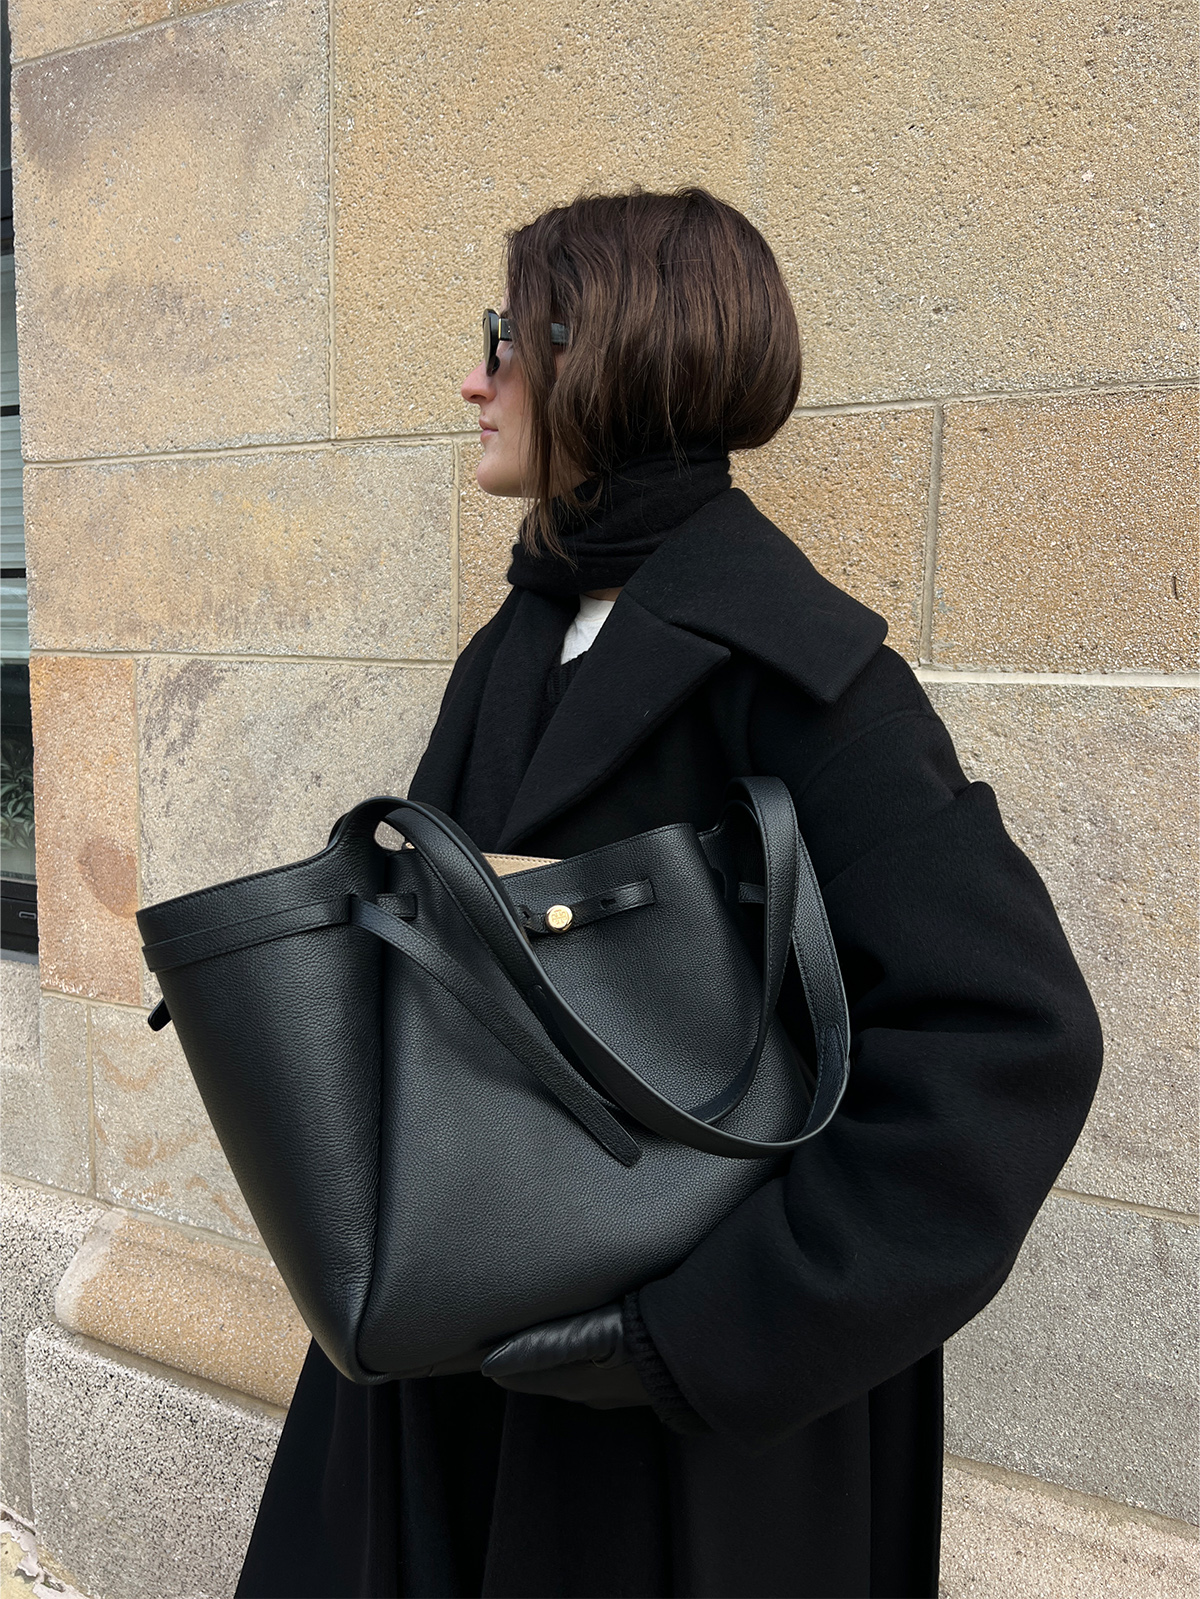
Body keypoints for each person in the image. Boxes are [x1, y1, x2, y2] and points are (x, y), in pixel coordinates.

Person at [236, 187, 1102, 1599]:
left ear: (605, 354)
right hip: (458, 1367)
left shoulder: (807, 673)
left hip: (680, 1451)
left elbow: (1007, 1044)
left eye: (504, 338)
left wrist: (689, 1340)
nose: (473, 378)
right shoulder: (514, 645)